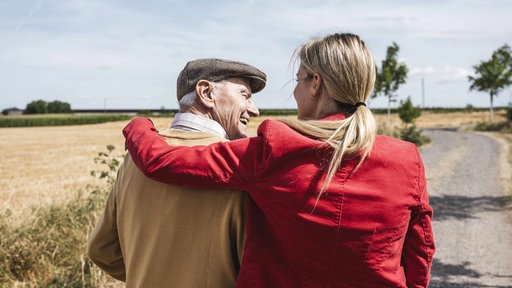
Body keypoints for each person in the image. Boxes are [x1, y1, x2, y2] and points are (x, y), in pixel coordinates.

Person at [122, 33, 435, 287]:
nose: (295, 91)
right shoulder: (406, 158)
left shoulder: (276, 150)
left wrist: (139, 125)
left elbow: (158, 161)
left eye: (298, 80)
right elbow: (420, 254)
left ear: (316, 84)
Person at [87, 58, 266, 287]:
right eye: (245, 95)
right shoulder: (240, 167)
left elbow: (101, 250)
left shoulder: (133, 158)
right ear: (206, 92)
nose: (254, 110)